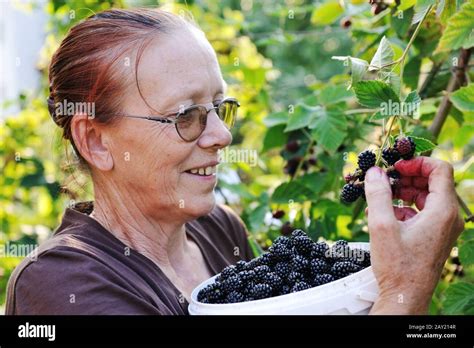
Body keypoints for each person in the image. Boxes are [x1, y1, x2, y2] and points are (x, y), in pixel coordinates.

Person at [5, 8, 464, 315]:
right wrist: (405, 288)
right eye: (186, 115)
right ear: (95, 141)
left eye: (220, 108)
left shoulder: (218, 231)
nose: (222, 135)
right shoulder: (57, 285)